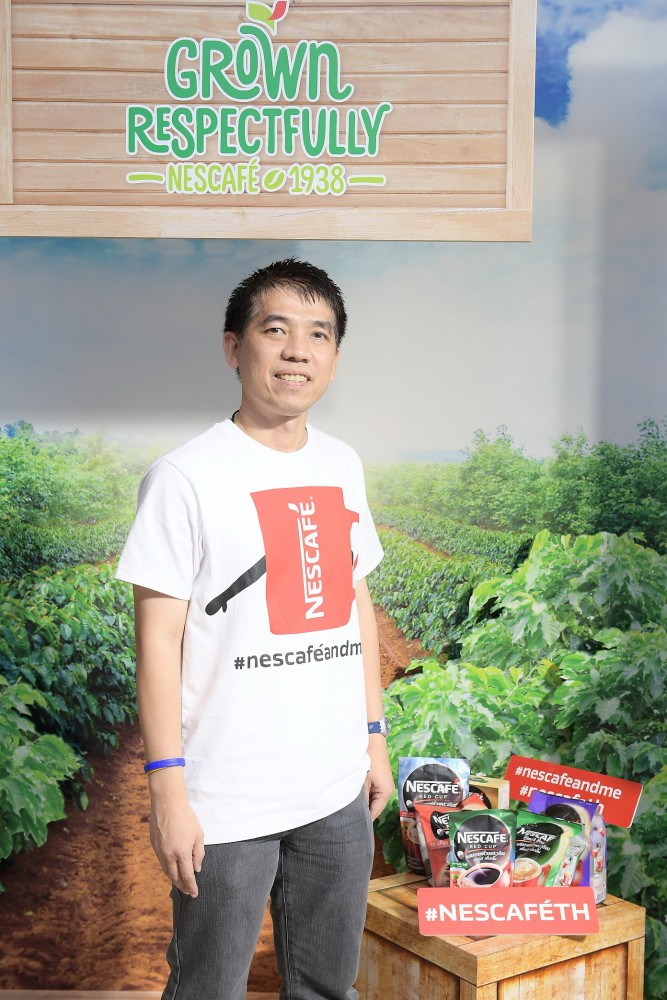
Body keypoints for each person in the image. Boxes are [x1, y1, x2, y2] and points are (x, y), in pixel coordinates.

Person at [116, 258, 394, 1000]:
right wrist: (167, 793)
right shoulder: (184, 477)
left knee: (327, 987)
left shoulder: (341, 464)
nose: (298, 350)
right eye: (277, 330)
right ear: (234, 348)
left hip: (335, 791)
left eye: (318, 334)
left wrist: (373, 738)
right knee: (208, 989)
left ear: (334, 357)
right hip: (227, 799)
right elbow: (156, 644)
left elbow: (355, 603)